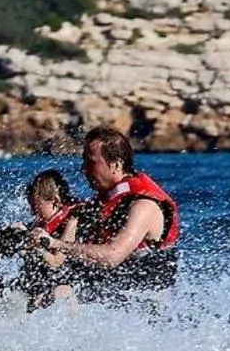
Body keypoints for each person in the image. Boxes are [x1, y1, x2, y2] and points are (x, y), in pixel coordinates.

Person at [32, 128, 178, 302]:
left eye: (90, 162)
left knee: (60, 293)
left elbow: (111, 257)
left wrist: (56, 243)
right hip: (111, 288)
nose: (83, 169)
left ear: (116, 164)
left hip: (142, 302)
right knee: (38, 280)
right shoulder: (105, 201)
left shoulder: (143, 207)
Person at [19, 169, 83, 309]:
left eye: (36, 207)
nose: (32, 212)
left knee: (56, 292)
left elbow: (56, 262)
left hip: (69, 286)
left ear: (54, 201)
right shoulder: (40, 223)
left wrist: (37, 248)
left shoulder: (72, 222)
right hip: (46, 281)